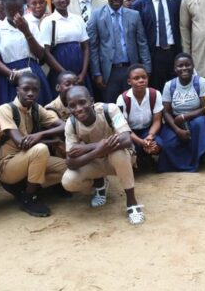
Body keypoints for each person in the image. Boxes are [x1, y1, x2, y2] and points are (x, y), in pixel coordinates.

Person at [62, 85, 145, 225]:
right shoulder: (71, 123)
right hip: (96, 162)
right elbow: (70, 162)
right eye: (72, 106)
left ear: (91, 101)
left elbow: (126, 140)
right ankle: (100, 184)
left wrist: (88, 148)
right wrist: (98, 150)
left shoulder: (109, 109)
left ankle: (132, 202)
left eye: (82, 102)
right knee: (68, 181)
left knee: (117, 152)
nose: (78, 108)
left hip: (120, 161)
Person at [0, 73, 67, 217]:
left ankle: (30, 187)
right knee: (40, 149)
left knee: (68, 168)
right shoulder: (5, 109)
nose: (30, 93)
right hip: (7, 165)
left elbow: (65, 125)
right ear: (18, 90)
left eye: (35, 90)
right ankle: (29, 196)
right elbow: (22, 143)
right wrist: (52, 141)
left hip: (29, 159)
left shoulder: (36, 109)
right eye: (26, 89)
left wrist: (41, 134)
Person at [88, 0, 151, 104]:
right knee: (112, 107)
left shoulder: (134, 15)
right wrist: (96, 73)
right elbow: (93, 47)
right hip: (109, 72)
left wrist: (147, 69)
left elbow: (142, 43)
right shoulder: (96, 16)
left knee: (133, 104)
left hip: (131, 69)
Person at [0, 0, 53, 106]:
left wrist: (26, 31)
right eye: (11, 10)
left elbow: (40, 55)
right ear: (3, 9)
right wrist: (11, 74)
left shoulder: (31, 25)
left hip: (32, 71)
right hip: (10, 73)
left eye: (19, 10)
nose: (16, 14)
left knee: (38, 107)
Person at [156, 53, 205, 172]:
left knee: (200, 123)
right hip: (175, 122)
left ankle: (202, 156)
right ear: (175, 68)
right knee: (167, 144)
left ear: (193, 66)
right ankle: (184, 164)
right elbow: (166, 112)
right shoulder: (169, 85)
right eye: (180, 66)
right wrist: (177, 130)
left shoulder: (201, 82)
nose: (184, 68)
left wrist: (184, 116)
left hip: (196, 118)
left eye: (187, 65)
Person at [132, 0, 182, 91]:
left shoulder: (176, 1)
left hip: (174, 52)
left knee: (175, 87)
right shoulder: (139, 5)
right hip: (153, 54)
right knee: (157, 89)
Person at [39, 0, 91, 95]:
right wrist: (65, 74)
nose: (63, 0)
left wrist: (83, 72)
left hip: (80, 69)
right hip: (59, 69)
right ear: (51, 0)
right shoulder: (48, 22)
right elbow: (46, 53)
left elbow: (85, 47)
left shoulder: (78, 19)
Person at [115, 64, 163, 167]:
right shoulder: (122, 99)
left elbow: (157, 120)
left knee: (157, 144)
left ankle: (148, 158)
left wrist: (150, 137)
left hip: (148, 130)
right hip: (129, 133)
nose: (141, 80)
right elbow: (123, 127)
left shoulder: (155, 94)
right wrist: (141, 142)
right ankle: (139, 161)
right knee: (129, 148)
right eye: (136, 78)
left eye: (144, 77)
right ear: (129, 81)